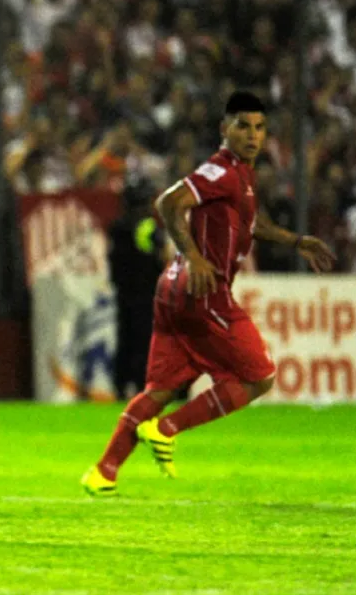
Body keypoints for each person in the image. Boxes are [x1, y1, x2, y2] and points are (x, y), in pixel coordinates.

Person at [82, 92, 336, 497]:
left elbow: (253, 224)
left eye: (259, 127)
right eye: (243, 126)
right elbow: (167, 204)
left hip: (173, 290)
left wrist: (297, 240)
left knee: (159, 391)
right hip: (203, 292)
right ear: (224, 129)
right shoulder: (222, 171)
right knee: (260, 377)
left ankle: (104, 472)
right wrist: (195, 257)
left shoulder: (242, 176)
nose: (253, 135)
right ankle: (166, 430)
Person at [107, 179, 171, 399]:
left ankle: (120, 386)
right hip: (146, 293)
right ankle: (142, 385)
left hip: (124, 292)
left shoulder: (116, 227)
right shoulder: (148, 226)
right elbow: (163, 254)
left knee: (125, 340)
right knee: (145, 342)